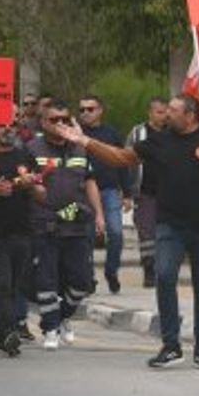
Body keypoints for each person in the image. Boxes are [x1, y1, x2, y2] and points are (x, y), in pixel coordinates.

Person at [53, 94, 199, 370]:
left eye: (174, 110)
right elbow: (121, 157)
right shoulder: (159, 140)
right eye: (167, 109)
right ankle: (171, 346)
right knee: (165, 276)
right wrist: (85, 141)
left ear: (191, 114)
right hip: (169, 224)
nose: (168, 114)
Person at [26, 102, 103, 351]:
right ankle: (50, 328)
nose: (61, 123)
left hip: (77, 222)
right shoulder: (31, 149)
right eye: (54, 119)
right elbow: (26, 184)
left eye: (65, 119)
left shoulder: (80, 148)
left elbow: (90, 182)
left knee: (82, 281)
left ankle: (62, 317)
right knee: (47, 279)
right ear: (43, 123)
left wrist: (100, 215)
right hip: (45, 222)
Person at [0, 117, 44, 356]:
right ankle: (9, 330)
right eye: (1, 124)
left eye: (12, 125)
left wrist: (31, 185)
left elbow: (41, 194)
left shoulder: (25, 156)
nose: (7, 129)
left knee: (16, 285)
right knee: (1, 284)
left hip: (22, 232)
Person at [78, 95, 131, 294]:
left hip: (109, 190)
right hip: (83, 192)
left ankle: (111, 270)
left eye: (90, 109)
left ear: (100, 110)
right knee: (87, 237)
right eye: (82, 109)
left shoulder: (111, 133)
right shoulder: (76, 133)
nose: (85, 113)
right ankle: (88, 278)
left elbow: (123, 162)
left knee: (116, 233)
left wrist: (127, 193)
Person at [126, 98, 168, 288]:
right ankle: (149, 269)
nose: (163, 115)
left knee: (165, 231)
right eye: (159, 112)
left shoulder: (172, 133)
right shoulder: (138, 133)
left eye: (165, 111)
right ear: (150, 113)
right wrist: (126, 190)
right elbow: (125, 158)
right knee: (146, 232)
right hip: (144, 190)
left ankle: (164, 268)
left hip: (169, 191)